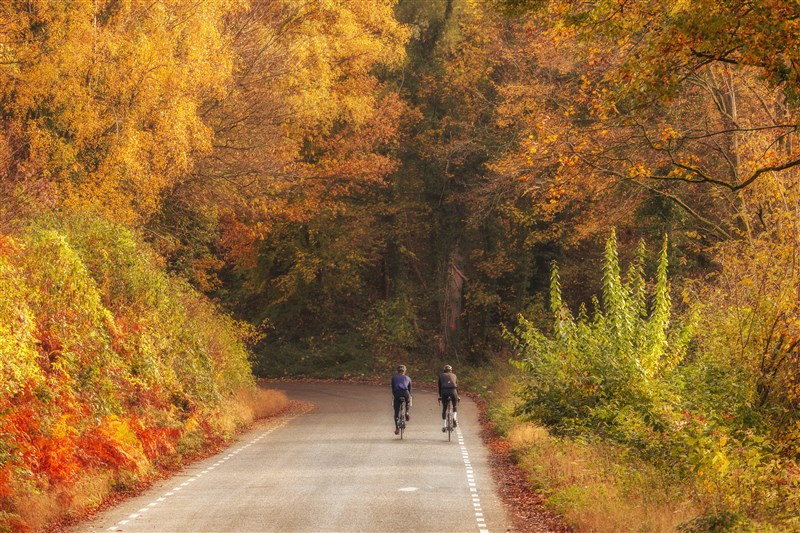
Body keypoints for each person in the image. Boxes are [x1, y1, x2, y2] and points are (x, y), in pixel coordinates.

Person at [391, 365, 412, 435]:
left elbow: (393, 389)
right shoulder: (408, 378)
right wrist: (409, 396)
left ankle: (397, 428)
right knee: (408, 400)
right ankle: (407, 412)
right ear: (405, 371)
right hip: (405, 393)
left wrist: (395, 396)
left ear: (397, 371)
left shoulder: (393, 378)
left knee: (396, 411)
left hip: (397, 393)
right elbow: (410, 390)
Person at [438, 364, 459, 432]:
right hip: (453, 391)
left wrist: (440, 396)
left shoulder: (441, 375)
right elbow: (457, 387)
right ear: (451, 370)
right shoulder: (454, 375)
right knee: (455, 405)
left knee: (444, 408)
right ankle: (454, 418)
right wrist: (457, 396)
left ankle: (444, 426)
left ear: (444, 370)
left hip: (444, 392)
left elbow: (439, 387)